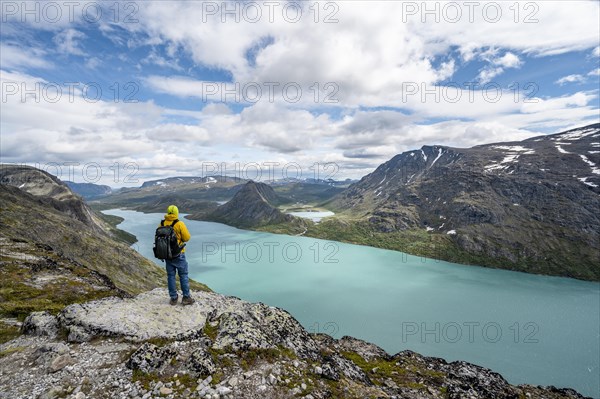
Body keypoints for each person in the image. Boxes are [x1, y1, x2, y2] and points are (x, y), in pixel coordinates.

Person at [160, 205, 194, 306]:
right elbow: (187, 238)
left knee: (171, 276)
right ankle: (186, 297)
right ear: (176, 213)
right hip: (178, 254)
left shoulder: (162, 223)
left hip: (167, 255)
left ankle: (173, 298)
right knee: (183, 275)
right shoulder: (179, 224)